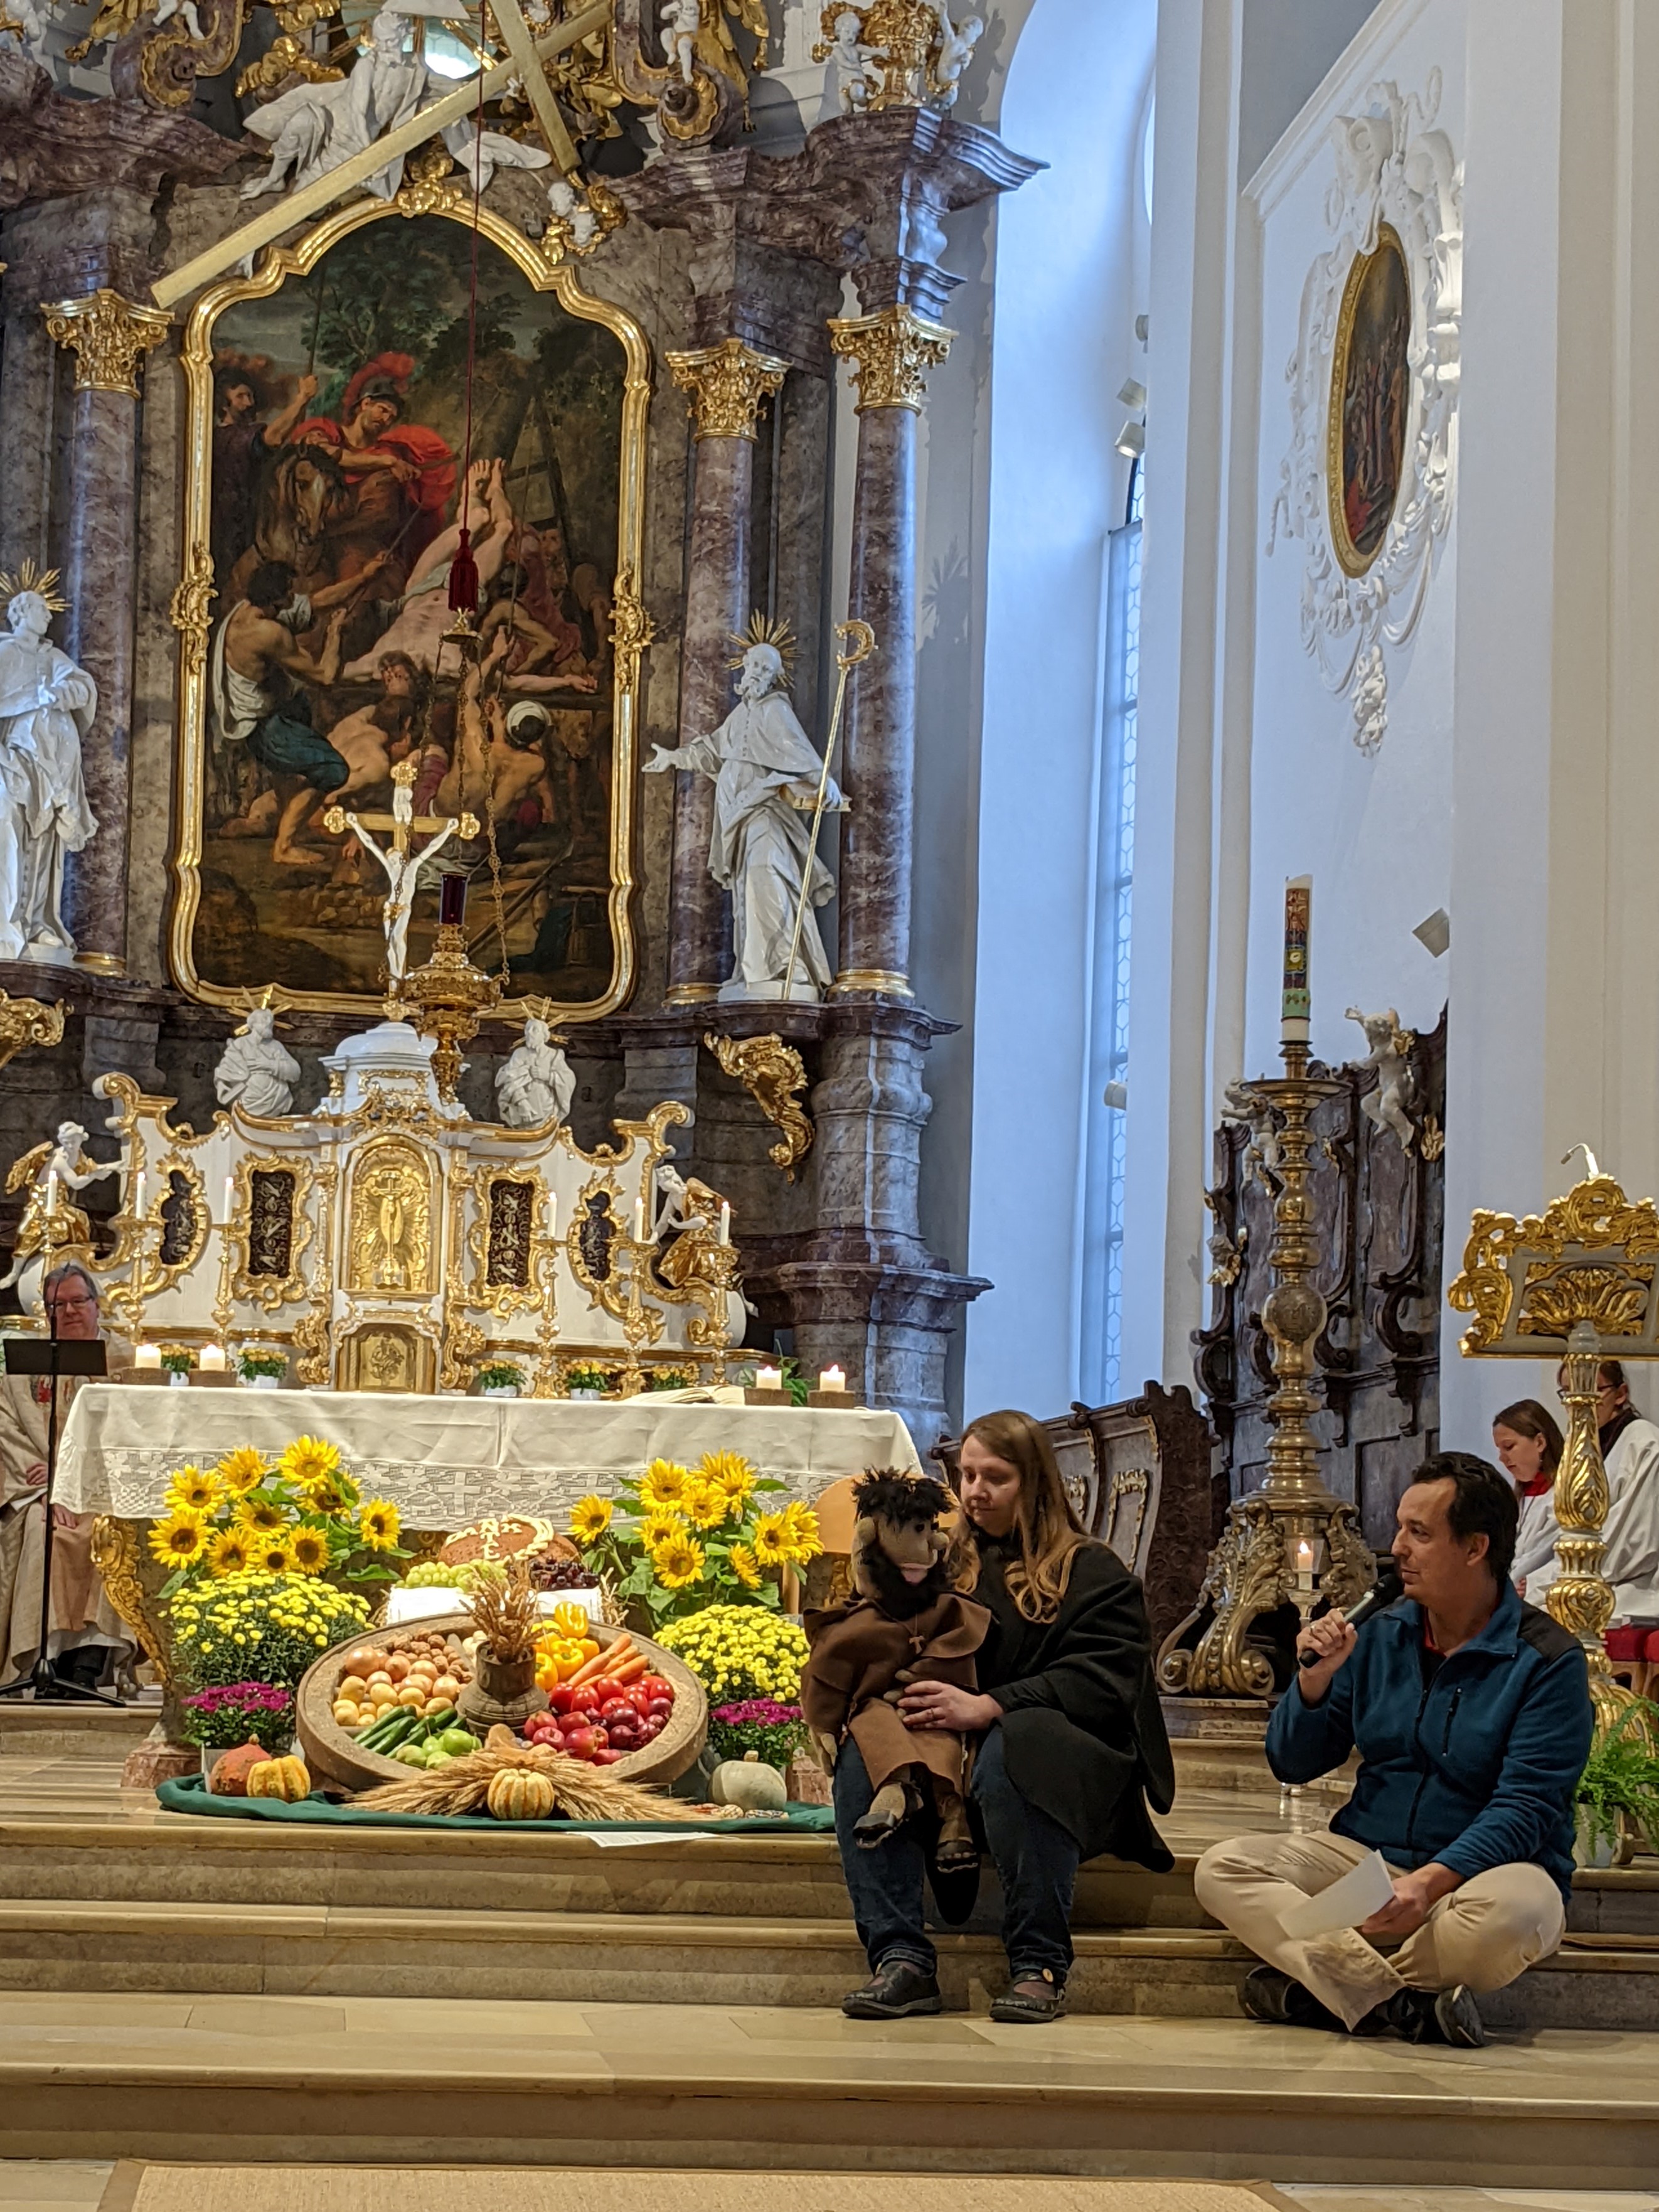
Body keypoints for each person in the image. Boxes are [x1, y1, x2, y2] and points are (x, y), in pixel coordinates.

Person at [1195, 1452, 1592, 2049]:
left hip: (1478, 1878)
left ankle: (1319, 1991)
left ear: (1475, 1547)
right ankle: (1398, 2003)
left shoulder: (1547, 1660)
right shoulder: (1381, 1634)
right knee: (1222, 1867)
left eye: (1419, 1533)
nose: (1397, 1547)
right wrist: (1313, 1683)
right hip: (1368, 1861)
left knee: (1521, 1912)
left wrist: (1430, 1883)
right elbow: (1294, 1763)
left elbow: (1527, 1807)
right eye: (1401, 1528)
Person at [831, 1408, 1175, 2026]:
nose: (974, 1492)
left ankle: (1038, 1965)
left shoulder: (1091, 1571)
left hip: (1064, 1758)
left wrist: (993, 1705)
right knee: (869, 1749)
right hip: (954, 1758)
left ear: (1035, 1482)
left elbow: (1102, 1682)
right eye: (965, 1476)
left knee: (1018, 1741)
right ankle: (900, 1959)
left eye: (994, 1477)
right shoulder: (943, 1566)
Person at [0, 1264, 136, 1690]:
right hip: (43, 1493)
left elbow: (133, 1436)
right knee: (44, 1533)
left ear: (97, 1305)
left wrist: (69, 1476)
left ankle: (87, 1665)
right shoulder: (27, 1366)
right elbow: (8, 1429)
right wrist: (46, 1488)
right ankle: (45, 1663)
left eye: (80, 1301)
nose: (71, 1311)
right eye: (60, 1304)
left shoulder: (128, 1366)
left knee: (106, 1534)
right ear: (48, 1312)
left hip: (105, 1490)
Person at [1527, 1359, 1659, 1625]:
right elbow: (1558, 1534)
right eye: (1568, 1392)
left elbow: (1632, 1543)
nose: (1579, 1403)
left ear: (1620, 1394)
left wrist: (1544, 1583)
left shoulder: (1644, 1444)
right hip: (1582, 1573)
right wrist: (1531, 1580)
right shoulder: (1584, 1449)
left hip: (1633, 1585)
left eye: (1592, 1391)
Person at [1491, 1397, 1564, 1595]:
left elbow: (1562, 1560)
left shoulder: (1564, 1497)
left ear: (1540, 1442)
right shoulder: (1514, 1499)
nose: (1502, 1458)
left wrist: (1533, 1584)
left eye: (1509, 1447)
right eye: (1499, 1449)